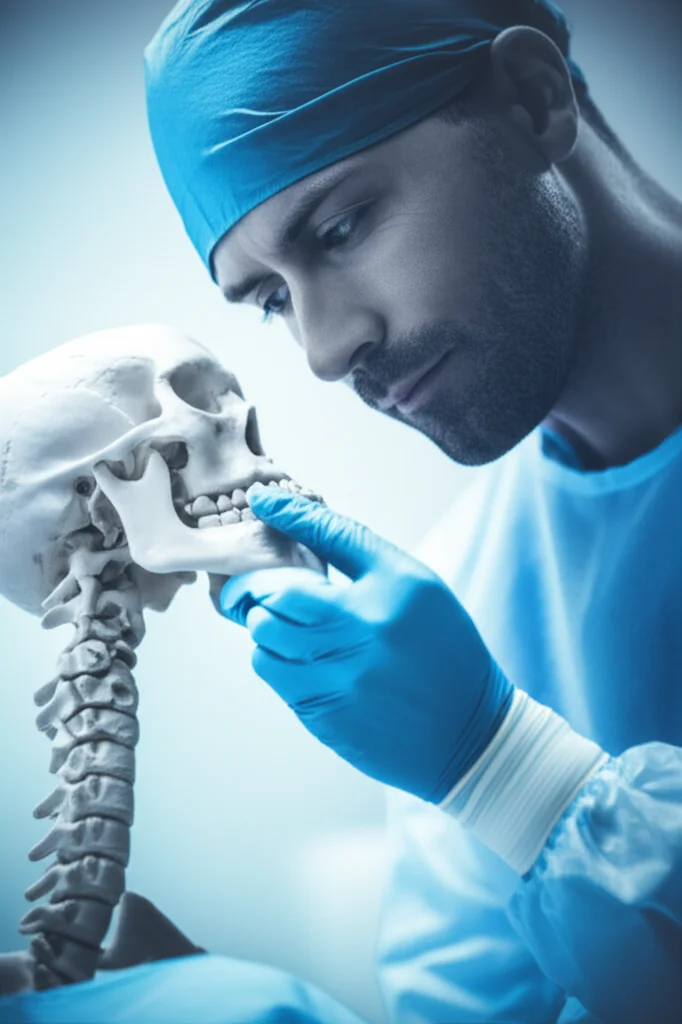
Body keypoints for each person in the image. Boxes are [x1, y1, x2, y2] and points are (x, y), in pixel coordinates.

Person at [141, 1, 681, 1022]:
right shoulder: (459, 610)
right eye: (269, 299)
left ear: (533, 101)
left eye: (342, 226)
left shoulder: (468, 710)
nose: (323, 347)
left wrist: (510, 772)